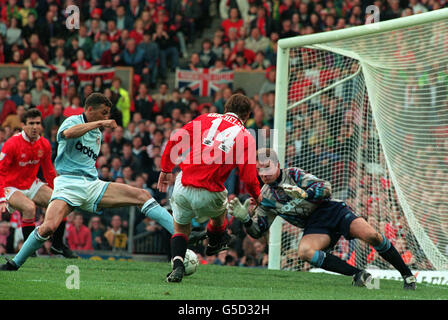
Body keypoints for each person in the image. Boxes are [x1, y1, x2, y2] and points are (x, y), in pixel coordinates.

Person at [1, 93, 175, 271]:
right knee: (48, 227)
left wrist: (99, 125)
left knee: (142, 195)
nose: (106, 117)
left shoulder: (97, 134)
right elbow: (68, 134)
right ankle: (15, 263)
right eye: (103, 113)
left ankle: (180, 234)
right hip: (68, 184)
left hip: (92, 184)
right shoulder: (72, 121)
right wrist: (100, 123)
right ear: (90, 109)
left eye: (108, 114)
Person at [228, 148, 417, 290]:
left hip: (332, 210)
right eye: (259, 169)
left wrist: (304, 193)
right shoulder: (265, 197)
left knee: (372, 235)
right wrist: (245, 219)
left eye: (267, 167)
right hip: (314, 225)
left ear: (277, 165)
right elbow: (258, 231)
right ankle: (358, 275)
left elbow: (326, 188)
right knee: (305, 252)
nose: (263, 173)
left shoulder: (293, 174)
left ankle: (407, 275)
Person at [158, 93, 262, 283]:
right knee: (220, 213)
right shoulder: (247, 136)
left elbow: (176, 140)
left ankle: (178, 265)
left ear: (225, 108)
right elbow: (248, 177)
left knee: (180, 228)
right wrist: (257, 195)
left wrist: (166, 168)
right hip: (211, 190)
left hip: (182, 184)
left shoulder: (206, 118)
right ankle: (214, 242)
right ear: (246, 116)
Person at [0, 108, 76, 258]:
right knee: (29, 208)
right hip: (11, 186)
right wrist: (2, 197)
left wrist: (58, 191)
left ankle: (57, 245)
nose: (35, 127)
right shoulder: (11, 144)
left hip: (32, 184)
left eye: (38, 123)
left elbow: (49, 171)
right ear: (23, 125)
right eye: (31, 123)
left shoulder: (44, 144)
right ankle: (30, 252)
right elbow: (0, 171)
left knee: (61, 202)